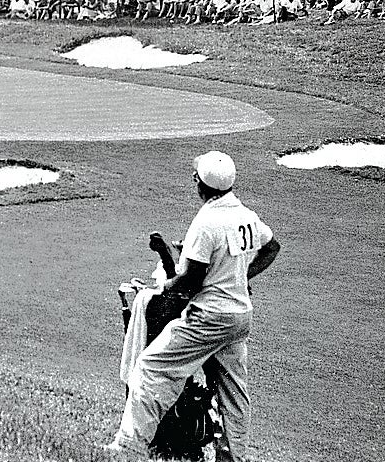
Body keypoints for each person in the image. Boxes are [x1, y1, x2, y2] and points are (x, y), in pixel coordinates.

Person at [105, 151, 281, 461]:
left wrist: (161, 289)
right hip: (240, 318)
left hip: (209, 317)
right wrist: (241, 276)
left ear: (200, 184)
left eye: (195, 176)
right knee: (233, 393)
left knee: (151, 368)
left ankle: (127, 448)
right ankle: (232, 458)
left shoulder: (207, 221)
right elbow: (271, 246)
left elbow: (190, 281)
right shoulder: (244, 214)